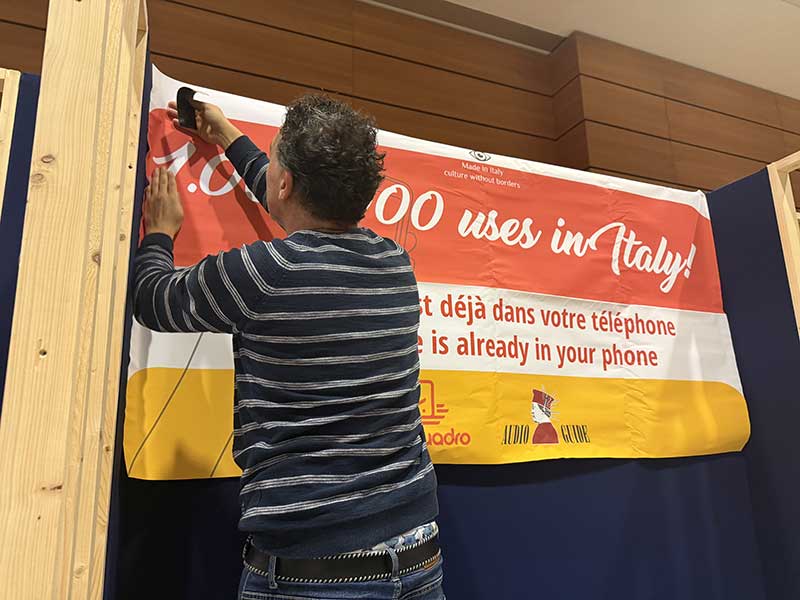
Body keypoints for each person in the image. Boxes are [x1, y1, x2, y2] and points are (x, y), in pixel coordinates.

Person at [134, 94, 444, 599]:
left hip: (313, 572)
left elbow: (154, 301)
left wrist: (161, 234)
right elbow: (294, 201)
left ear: (286, 182)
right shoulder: (394, 264)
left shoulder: (264, 274)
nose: (270, 164)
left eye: (273, 155)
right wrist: (228, 137)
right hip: (418, 557)